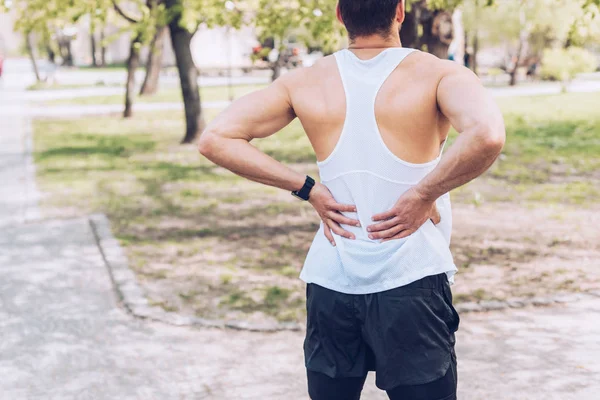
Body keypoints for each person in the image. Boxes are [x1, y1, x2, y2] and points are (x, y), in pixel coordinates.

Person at [198, 0, 505, 399]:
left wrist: (308, 188)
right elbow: (488, 134)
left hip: (332, 283)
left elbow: (215, 139)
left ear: (341, 16)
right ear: (400, 11)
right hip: (410, 282)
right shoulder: (439, 74)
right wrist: (423, 193)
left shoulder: (305, 81)